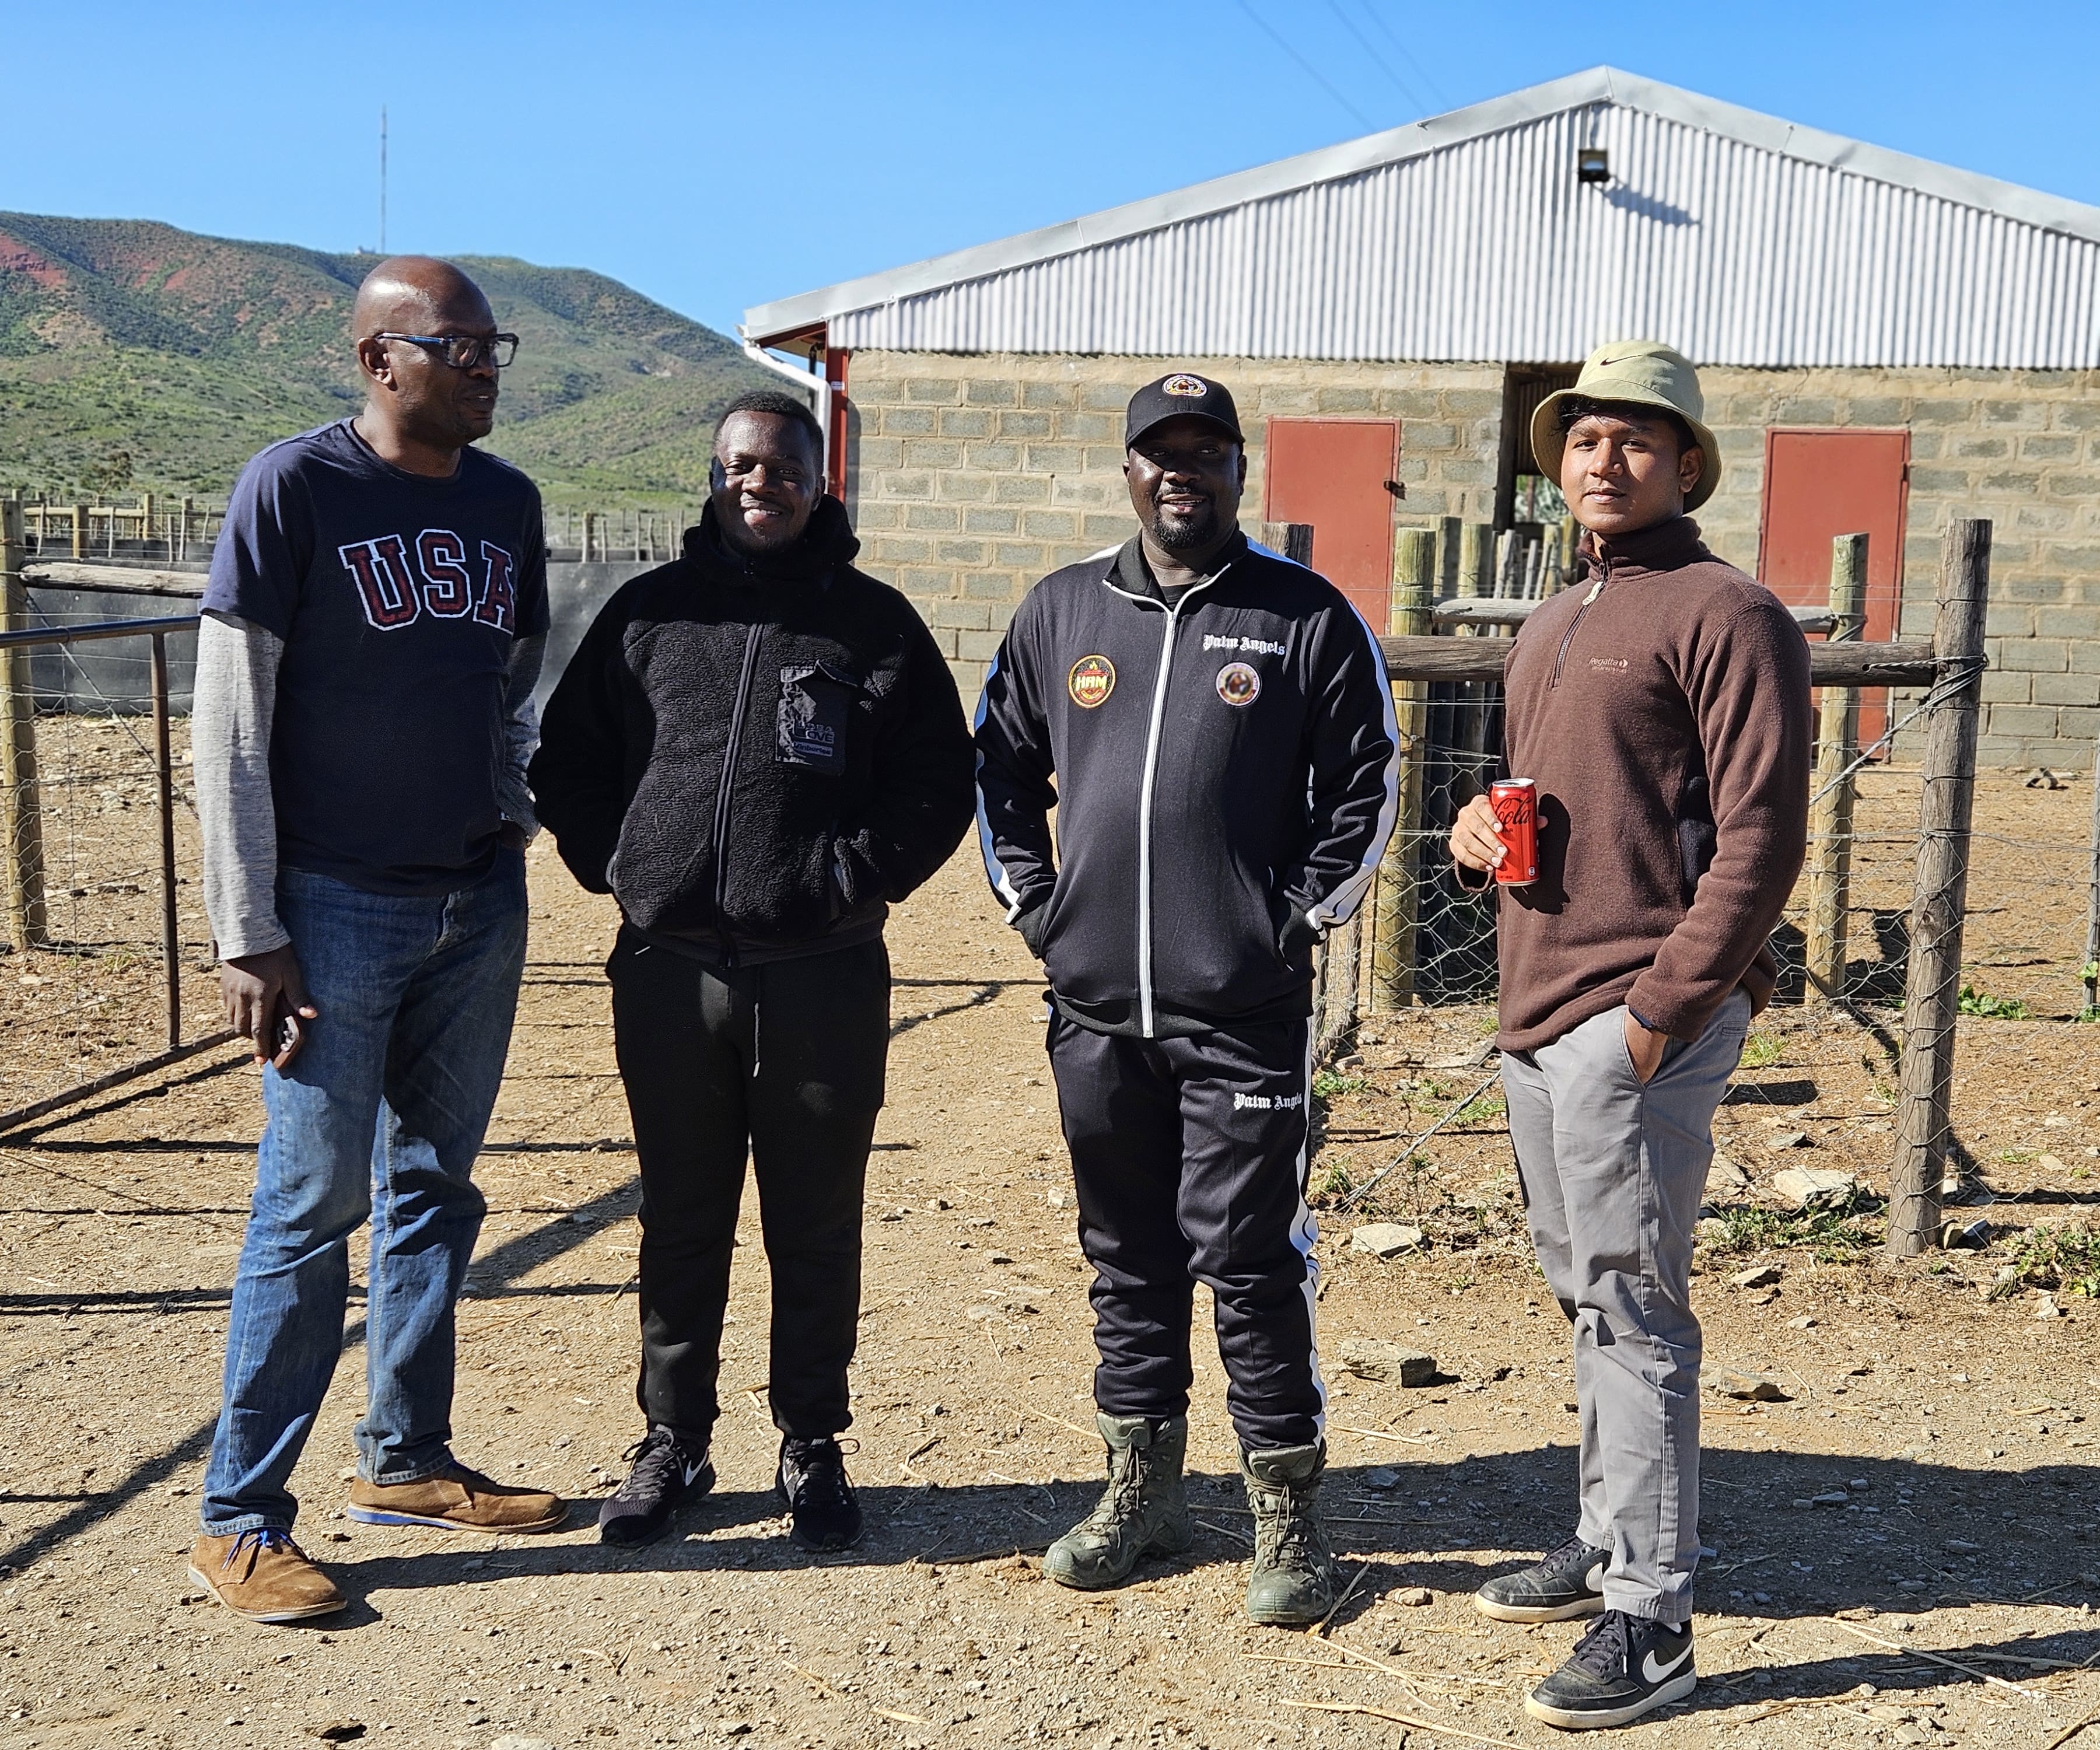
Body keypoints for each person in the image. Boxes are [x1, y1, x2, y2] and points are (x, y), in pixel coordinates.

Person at [974, 372, 1399, 1624]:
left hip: (1240, 1013)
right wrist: (1041, 911)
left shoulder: (1303, 618)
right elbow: (997, 768)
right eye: (1161, 453)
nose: (1182, 472)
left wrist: (1293, 920)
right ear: (1127, 470)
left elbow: (1363, 787)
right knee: (1127, 1256)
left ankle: (1290, 1518)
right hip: (1097, 1008)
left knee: (1253, 1260)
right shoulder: (1061, 614)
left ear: (1236, 471)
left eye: (1206, 452)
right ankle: (1140, 1492)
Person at [530, 389, 974, 1552]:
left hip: (822, 974)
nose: (757, 484)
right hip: (671, 971)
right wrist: (618, 865)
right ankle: (672, 1441)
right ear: (714, 476)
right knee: (681, 1216)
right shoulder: (649, 617)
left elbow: (939, 780)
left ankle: (812, 1442)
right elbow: (567, 760)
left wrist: (855, 872)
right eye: (737, 466)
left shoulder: (874, 629)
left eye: (780, 466)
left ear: (819, 481)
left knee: (815, 1219)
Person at [188, 257, 563, 1624]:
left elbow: (513, 680)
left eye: (493, 346)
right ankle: (237, 1513)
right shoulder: (293, 490)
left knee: (435, 1190)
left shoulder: (506, 503)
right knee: (307, 1208)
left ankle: (404, 1456)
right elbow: (230, 719)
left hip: (474, 901)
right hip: (334, 908)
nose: (484, 368)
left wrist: (509, 819)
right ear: (377, 360)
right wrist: (249, 928)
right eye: (458, 345)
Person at [1448, 341, 1811, 1729]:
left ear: (1687, 465)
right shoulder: (1557, 617)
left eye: (1637, 442)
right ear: (1560, 462)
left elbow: (1765, 832)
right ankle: (1610, 1538)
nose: (1606, 460)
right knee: (1584, 1288)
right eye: (1586, 438)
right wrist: (1485, 827)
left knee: (1634, 1307)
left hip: (1631, 1015)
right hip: (1539, 1009)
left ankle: (1651, 1621)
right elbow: (1560, 796)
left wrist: (1665, 1010)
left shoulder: (1728, 611)